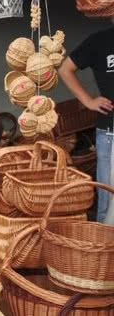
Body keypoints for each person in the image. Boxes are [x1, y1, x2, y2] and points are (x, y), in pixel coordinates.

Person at [59, 27, 114, 222]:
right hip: (110, 133)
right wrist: (88, 101)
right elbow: (65, 69)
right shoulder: (99, 40)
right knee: (108, 199)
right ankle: (104, 248)